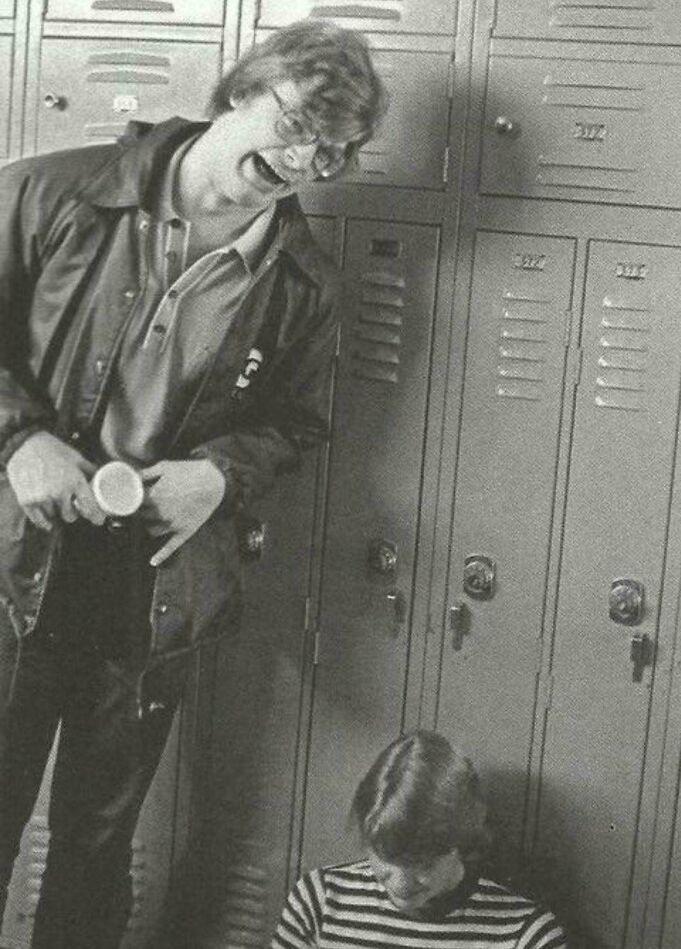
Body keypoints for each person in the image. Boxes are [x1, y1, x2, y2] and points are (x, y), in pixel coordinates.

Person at [0, 20, 386, 949]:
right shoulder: (54, 190)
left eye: (333, 151)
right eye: (297, 125)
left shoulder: (302, 283)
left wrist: (220, 474)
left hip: (151, 586)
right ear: (240, 90)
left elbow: (295, 424)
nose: (305, 160)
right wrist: (18, 438)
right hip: (14, 562)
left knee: (96, 851)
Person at [272, 730, 567, 949]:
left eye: (423, 864)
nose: (401, 883)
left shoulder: (527, 936)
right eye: (384, 856)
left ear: (461, 844)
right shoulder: (319, 901)